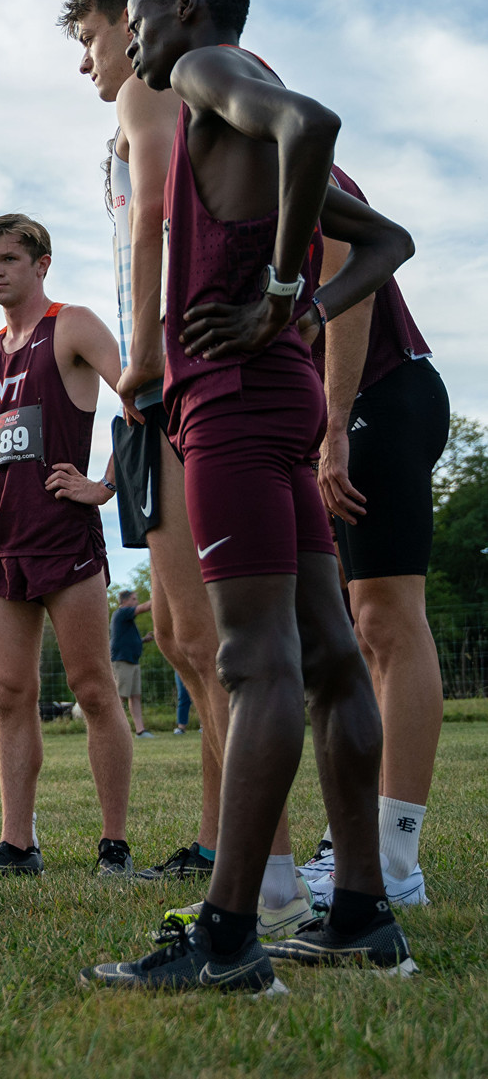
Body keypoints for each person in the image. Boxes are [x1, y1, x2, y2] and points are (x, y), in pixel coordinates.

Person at [84, 0, 416, 990]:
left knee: (255, 661)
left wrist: (279, 288)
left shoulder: (203, 73)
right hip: (284, 395)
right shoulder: (233, 121)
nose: (132, 44)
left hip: (230, 402)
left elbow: (314, 123)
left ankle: (229, 936)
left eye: (137, 20)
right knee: (327, 655)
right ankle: (360, 911)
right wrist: (303, 306)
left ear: (187, 8)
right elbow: (388, 239)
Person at [63, 0, 228, 883]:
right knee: (175, 634)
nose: (88, 61)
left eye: (89, 39)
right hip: (154, 386)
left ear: (133, 24)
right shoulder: (152, 105)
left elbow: (162, 214)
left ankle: (258, 853)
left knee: (205, 637)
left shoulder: (151, 92)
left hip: (170, 380)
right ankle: (217, 836)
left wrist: (148, 357)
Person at [0, 215, 136, 878]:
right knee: (11, 691)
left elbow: (135, 397)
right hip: (0, 545)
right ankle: (17, 844)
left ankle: (114, 845)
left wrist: (105, 485)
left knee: (94, 689)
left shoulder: (71, 324)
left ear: (41, 263)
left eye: (9, 259)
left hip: (65, 539)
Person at [300, 168, 447, 909]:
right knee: (361, 630)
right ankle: (355, 841)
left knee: (390, 619)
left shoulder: (289, 150)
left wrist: (332, 427)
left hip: (383, 394)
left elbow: (347, 285)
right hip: (350, 406)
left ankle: (395, 863)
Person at [110, 590, 154, 736]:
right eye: (134, 599)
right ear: (124, 601)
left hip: (132, 661)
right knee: (120, 696)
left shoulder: (126, 620)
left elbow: (125, 639)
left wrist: (142, 640)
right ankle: (112, 730)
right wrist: (159, 600)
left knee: (135, 696)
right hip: (122, 661)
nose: (136, 602)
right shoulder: (121, 613)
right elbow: (143, 608)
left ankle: (140, 730)